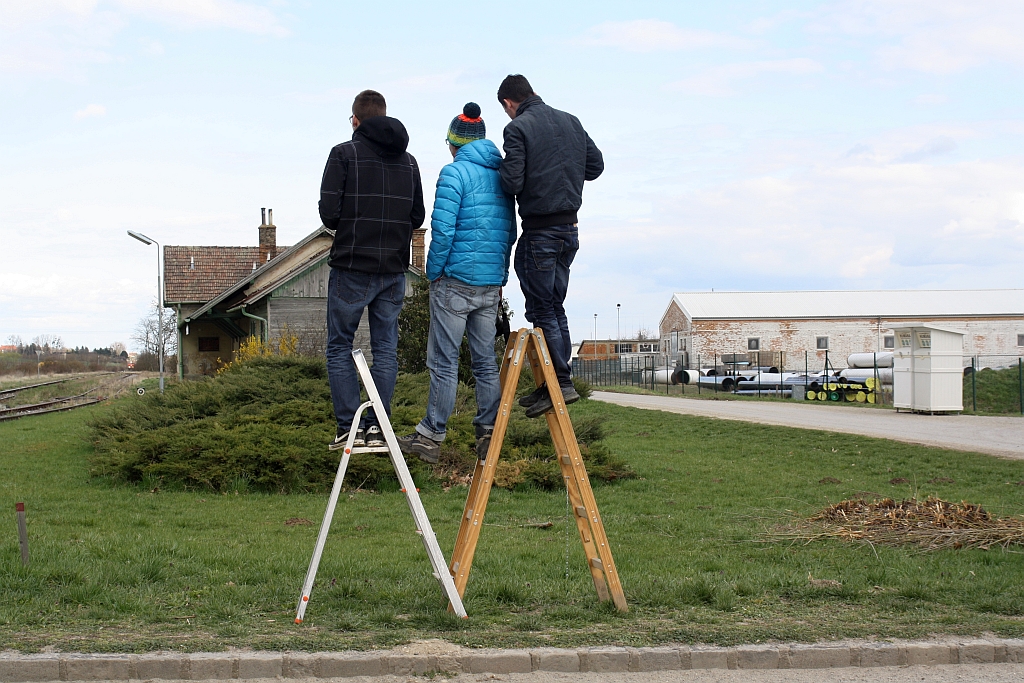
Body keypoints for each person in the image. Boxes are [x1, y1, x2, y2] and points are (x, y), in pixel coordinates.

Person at [398, 103, 516, 464]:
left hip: (454, 282)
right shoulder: (502, 174)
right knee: (485, 361)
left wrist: (433, 272)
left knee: (443, 362)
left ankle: (431, 435)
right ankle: (488, 432)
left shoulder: (453, 173)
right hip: (490, 284)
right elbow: (509, 232)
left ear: (455, 143)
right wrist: (501, 276)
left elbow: (443, 231)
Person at [319, 89, 425, 450]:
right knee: (386, 351)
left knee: (340, 347)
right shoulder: (409, 162)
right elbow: (417, 217)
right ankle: (378, 426)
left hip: (351, 265)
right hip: (393, 269)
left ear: (355, 120)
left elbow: (329, 214)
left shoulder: (343, 154)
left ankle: (349, 427)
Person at [496, 74, 604, 418]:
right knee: (554, 307)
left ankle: (559, 383)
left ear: (508, 103)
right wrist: (563, 173)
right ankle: (555, 383)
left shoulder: (517, 128)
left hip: (540, 230)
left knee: (543, 309)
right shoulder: (571, 121)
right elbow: (595, 166)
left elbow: (512, 181)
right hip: (569, 230)